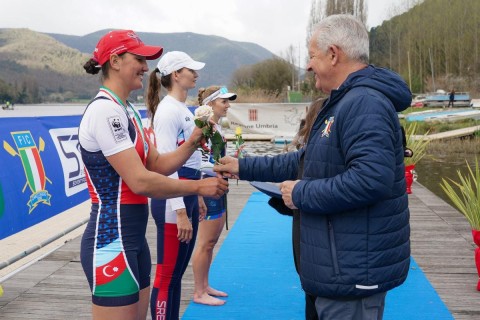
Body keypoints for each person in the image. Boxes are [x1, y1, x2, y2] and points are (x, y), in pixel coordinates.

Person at [215, 14, 411, 320]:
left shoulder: (364, 104)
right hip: (337, 266)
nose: (307, 65)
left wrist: (301, 193)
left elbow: (372, 179)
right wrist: (243, 166)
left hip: (351, 271)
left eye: (312, 56)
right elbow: (306, 159)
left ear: (333, 55)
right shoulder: (343, 101)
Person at [79, 31, 228, 320]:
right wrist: (198, 187)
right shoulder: (104, 112)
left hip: (133, 238)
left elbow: (157, 164)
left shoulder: (127, 110)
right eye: (139, 59)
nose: (147, 68)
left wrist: (192, 141)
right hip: (111, 239)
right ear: (115, 61)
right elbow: (141, 181)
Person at [146, 51, 207, 319]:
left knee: (177, 275)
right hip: (173, 201)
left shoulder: (183, 108)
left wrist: (199, 197)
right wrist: (181, 212)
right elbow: (165, 165)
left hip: (188, 195)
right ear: (175, 75)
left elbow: (191, 157)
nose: (196, 74)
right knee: (167, 275)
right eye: (190, 69)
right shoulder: (168, 110)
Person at [191, 85, 237, 306]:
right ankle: (199, 292)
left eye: (228, 102)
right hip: (207, 187)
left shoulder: (215, 127)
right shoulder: (202, 128)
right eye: (224, 102)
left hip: (218, 185)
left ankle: (205, 285)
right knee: (205, 243)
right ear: (210, 104)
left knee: (212, 242)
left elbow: (212, 159)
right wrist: (199, 192)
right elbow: (198, 163)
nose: (228, 106)